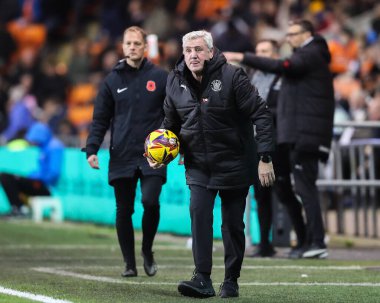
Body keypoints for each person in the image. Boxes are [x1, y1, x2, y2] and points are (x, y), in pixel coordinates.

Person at [147, 30, 275, 298]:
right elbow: (170, 124)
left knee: (232, 225)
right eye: (189, 50)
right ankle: (202, 278)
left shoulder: (232, 77)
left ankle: (231, 279)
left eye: (198, 49)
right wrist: (158, 152)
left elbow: (261, 115)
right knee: (200, 218)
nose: (193, 55)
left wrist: (265, 157)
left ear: (210, 52)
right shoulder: (174, 81)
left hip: (236, 162)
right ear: (184, 54)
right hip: (198, 164)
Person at [224, 19, 335, 259]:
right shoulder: (262, 74)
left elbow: (284, 74)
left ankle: (313, 240)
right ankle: (292, 242)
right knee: (275, 192)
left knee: (297, 189)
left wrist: (243, 57)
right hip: (279, 138)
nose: (289, 38)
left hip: (288, 139)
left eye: (293, 33)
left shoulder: (305, 57)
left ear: (307, 33)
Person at [85, 26, 168, 278]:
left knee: (150, 202)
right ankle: (129, 263)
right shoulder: (111, 80)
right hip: (121, 153)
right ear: (123, 47)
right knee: (124, 209)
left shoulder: (162, 76)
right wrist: (92, 148)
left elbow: (173, 113)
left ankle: (147, 250)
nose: (132, 47)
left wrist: (175, 142)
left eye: (136, 43)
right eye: (128, 43)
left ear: (145, 47)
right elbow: (100, 118)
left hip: (153, 154)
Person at [234, 39, 307, 258]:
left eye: (264, 51)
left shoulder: (284, 77)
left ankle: (303, 240)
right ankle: (264, 243)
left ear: (275, 54)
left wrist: (261, 113)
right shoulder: (252, 76)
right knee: (261, 195)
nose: (260, 55)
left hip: (279, 143)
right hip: (257, 143)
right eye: (258, 51)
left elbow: (284, 109)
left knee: (284, 192)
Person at [0, 122, 64, 217]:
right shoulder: (45, 147)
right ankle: (19, 208)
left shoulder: (54, 147)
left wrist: (35, 176)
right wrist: (32, 175)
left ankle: (20, 209)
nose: (33, 142)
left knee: (6, 177)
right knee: (9, 178)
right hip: (40, 183)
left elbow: (54, 173)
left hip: (46, 187)